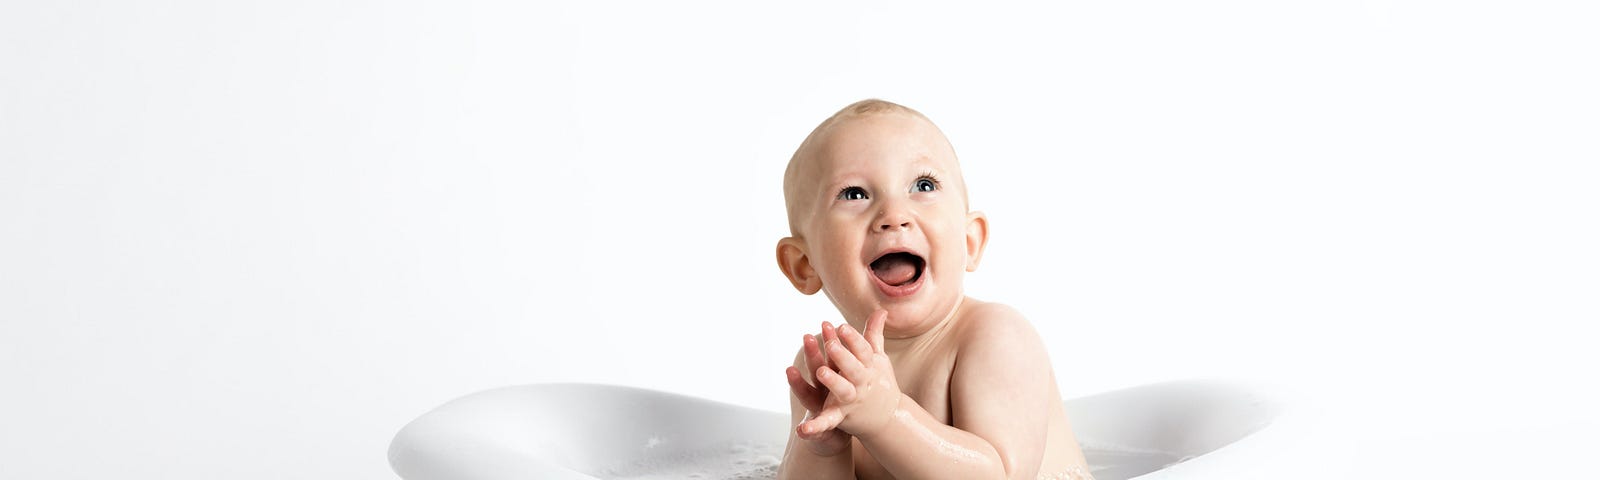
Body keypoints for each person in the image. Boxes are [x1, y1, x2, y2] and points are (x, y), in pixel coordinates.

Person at [775, 99, 1094, 480]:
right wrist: (822, 451)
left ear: (970, 241)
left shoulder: (995, 337)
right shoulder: (825, 365)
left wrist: (889, 416)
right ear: (804, 266)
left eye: (923, 185)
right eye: (855, 194)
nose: (893, 215)